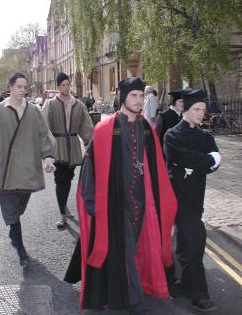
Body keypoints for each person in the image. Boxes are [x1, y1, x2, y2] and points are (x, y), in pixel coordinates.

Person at [65, 77, 177, 314]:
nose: (138, 101)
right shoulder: (105, 129)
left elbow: (156, 166)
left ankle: (123, 289)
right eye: (133, 96)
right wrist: (93, 203)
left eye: (140, 96)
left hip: (141, 202)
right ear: (123, 98)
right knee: (124, 249)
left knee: (136, 247)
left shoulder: (146, 128)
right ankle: (134, 300)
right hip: (115, 203)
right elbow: (90, 169)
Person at [0, 72, 56, 267]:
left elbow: (44, 136)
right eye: (19, 86)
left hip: (29, 170)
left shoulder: (34, 111)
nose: (23, 90)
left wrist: (47, 158)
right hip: (6, 170)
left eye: (25, 87)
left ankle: (14, 232)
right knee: (12, 211)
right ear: (10, 87)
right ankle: (21, 249)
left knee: (18, 208)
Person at [164, 89, 221, 311]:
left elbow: (215, 162)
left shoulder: (206, 137)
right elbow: (184, 157)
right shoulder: (171, 135)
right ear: (185, 109)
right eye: (197, 109)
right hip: (177, 196)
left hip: (197, 195)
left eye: (203, 110)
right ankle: (199, 292)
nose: (201, 114)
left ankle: (182, 282)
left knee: (185, 241)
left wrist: (195, 165)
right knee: (195, 237)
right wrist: (202, 162)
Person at [43, 72, 94, 228]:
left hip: (72, 146)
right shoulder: (50, 104)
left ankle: (64, 205)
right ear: (58, 87)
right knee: (60, 180)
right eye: (63, 85)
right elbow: (44, 127)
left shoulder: (79, 105)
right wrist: (46, 152)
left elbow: (86, 126)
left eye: (67, 84)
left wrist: (90, 144)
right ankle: (62, 214)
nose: (66, 87)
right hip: (57, 147)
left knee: (69, 178)